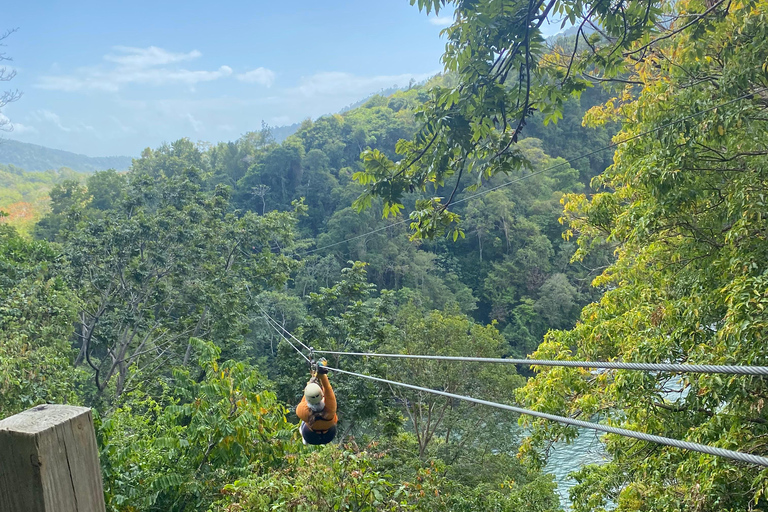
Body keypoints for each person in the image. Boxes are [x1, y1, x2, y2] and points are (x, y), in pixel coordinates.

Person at [296, 359, 337, 445]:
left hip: (310, 437)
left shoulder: (303, 411)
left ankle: (304, 439)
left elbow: (305, 399)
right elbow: (328, 389)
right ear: (322, 395)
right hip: (329, 435)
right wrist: (322, 375)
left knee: (304, 421)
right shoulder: (330, 410)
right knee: (332, 421)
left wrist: (311, 383)